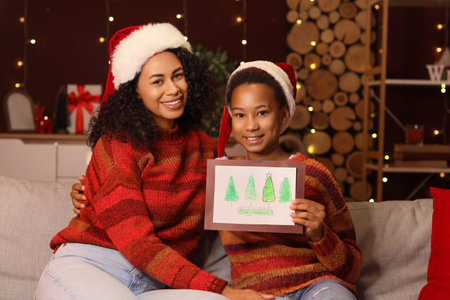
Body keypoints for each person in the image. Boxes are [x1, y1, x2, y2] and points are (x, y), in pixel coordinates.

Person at [35, 23, 274, 300]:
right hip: (90, 266)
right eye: (157, 81)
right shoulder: (117, 145)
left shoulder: (205, 150)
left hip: (157, 282)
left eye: (178, 76)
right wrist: (222, 288)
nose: (173, 89)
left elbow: (248, 203)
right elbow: (137, 243)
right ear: (134, 90)